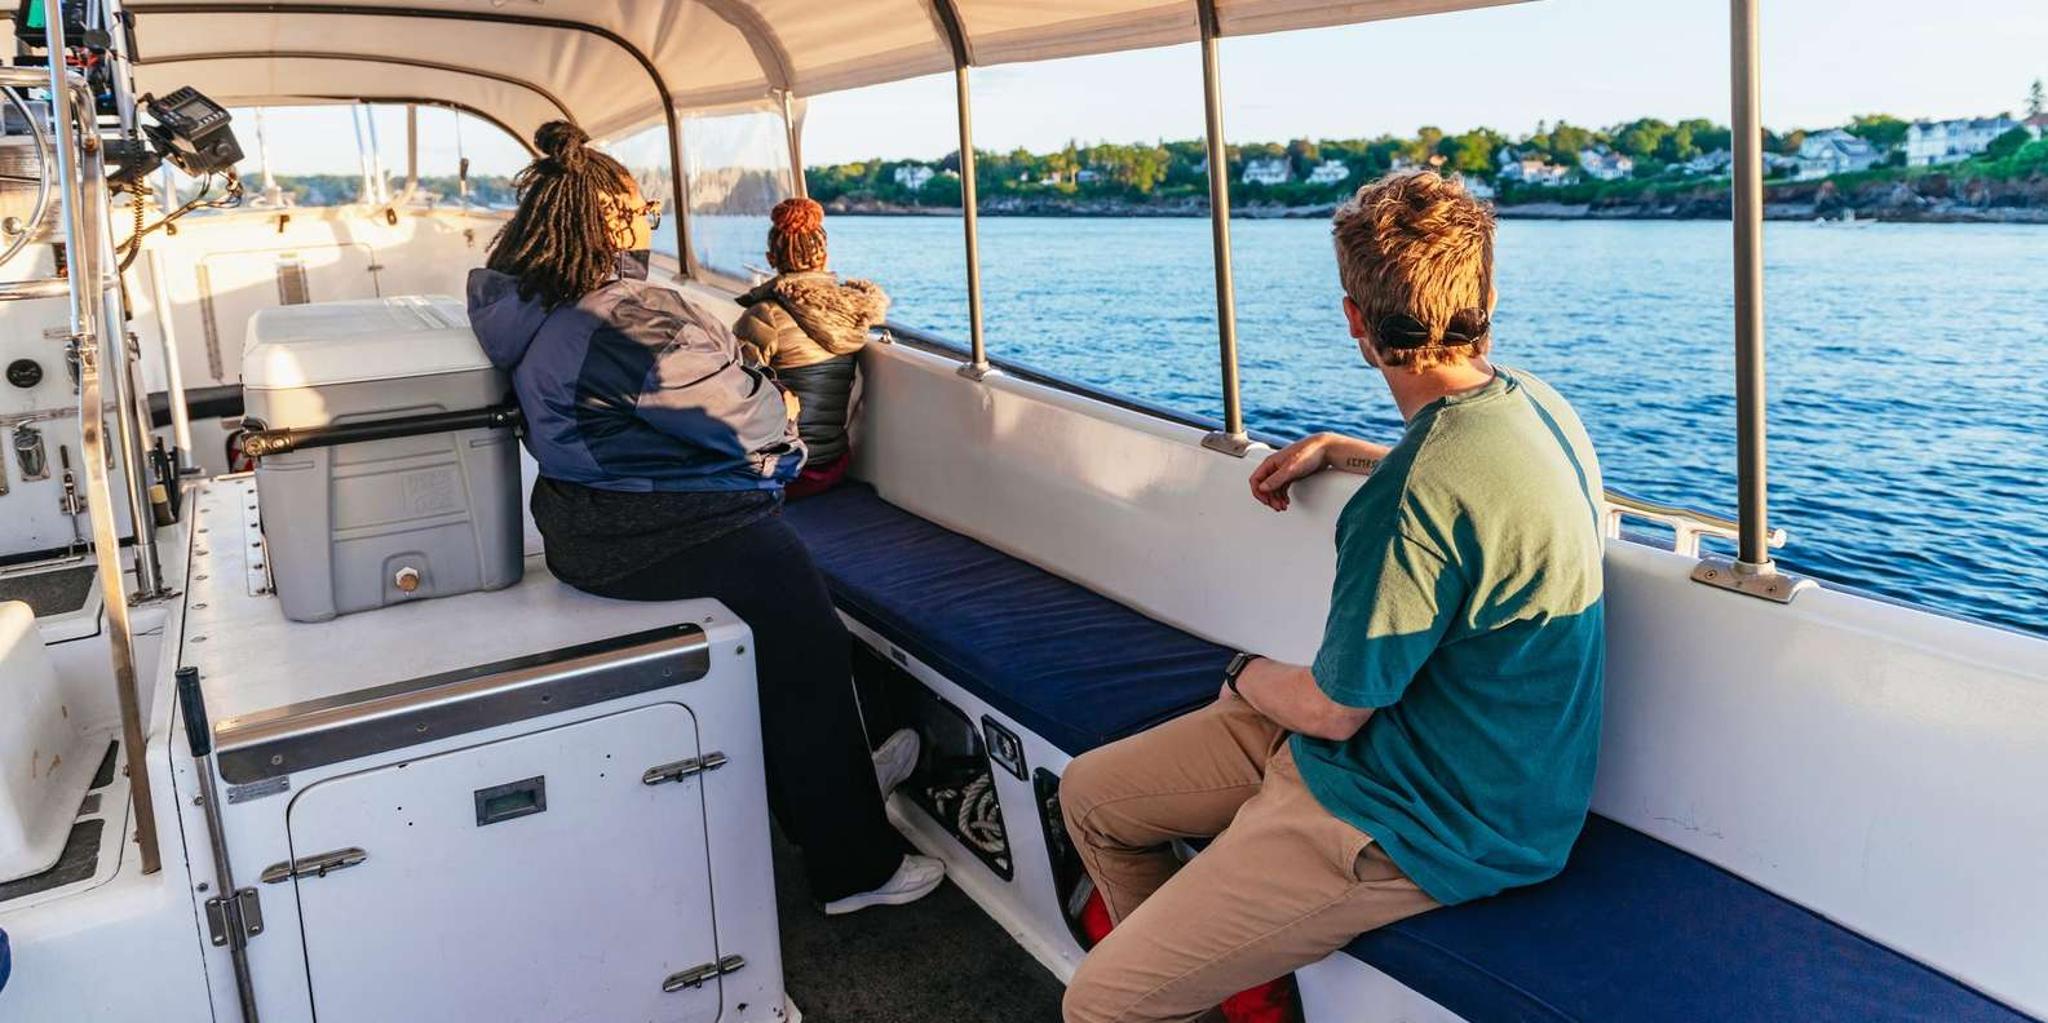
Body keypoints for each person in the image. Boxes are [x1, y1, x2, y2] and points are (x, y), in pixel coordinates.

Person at [1058, 171, 1606, 1022]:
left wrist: (1243, 672)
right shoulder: (1536, 406)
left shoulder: (1409, 500)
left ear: (1354, 319)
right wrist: (1345, 448)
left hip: (1428, 817)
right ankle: (1235, 991)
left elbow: (1332, 709)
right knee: (1091, 796)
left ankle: (1175, 987)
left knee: (1099, 1003)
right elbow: (1463, 485)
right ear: (1488, 298)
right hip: (1402, 747)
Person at [466, 120, 943, 916]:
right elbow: (746, 420)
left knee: (790, 629)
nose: (650, 222)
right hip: (659, 528)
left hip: (584, 521)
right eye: (644, 209)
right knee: (806, 637)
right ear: (609, 218)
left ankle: (839, 782)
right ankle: (856, 865)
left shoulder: (537, 299)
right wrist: (778, 400)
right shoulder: (625, 319)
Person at [732, 197, 888, 498]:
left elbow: (731, 392)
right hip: (834, 465)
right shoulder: (852, 312)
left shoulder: (765, 315)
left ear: (770, 258)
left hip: (784, 471)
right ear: (824, 257)